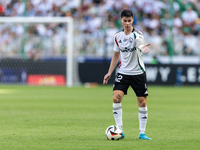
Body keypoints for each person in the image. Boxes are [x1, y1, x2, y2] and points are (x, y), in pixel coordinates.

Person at [103, 9, 151, 140]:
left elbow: (140, 44)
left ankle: (142, 133)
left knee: (142, 102)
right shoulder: (117, 36)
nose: (127, 23)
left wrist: (142, 48)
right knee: (115, 98)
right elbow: (116, 55)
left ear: (133, 20)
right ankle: (120, 130)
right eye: (125, 21)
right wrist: (109, 72)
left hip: (138, 73)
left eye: (130, 21)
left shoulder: (138, 35)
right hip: (123, 72)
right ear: (121, 21)